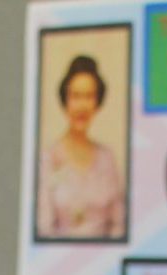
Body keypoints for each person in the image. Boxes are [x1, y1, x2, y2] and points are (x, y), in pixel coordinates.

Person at [36, 54, 126, 241]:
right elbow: (44, 228)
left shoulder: (107, 158)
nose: (81, 106)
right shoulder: (48, 159)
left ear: (97, 103)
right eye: (75, 96)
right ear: (65, 101)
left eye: (89, 96)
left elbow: (119, 223)